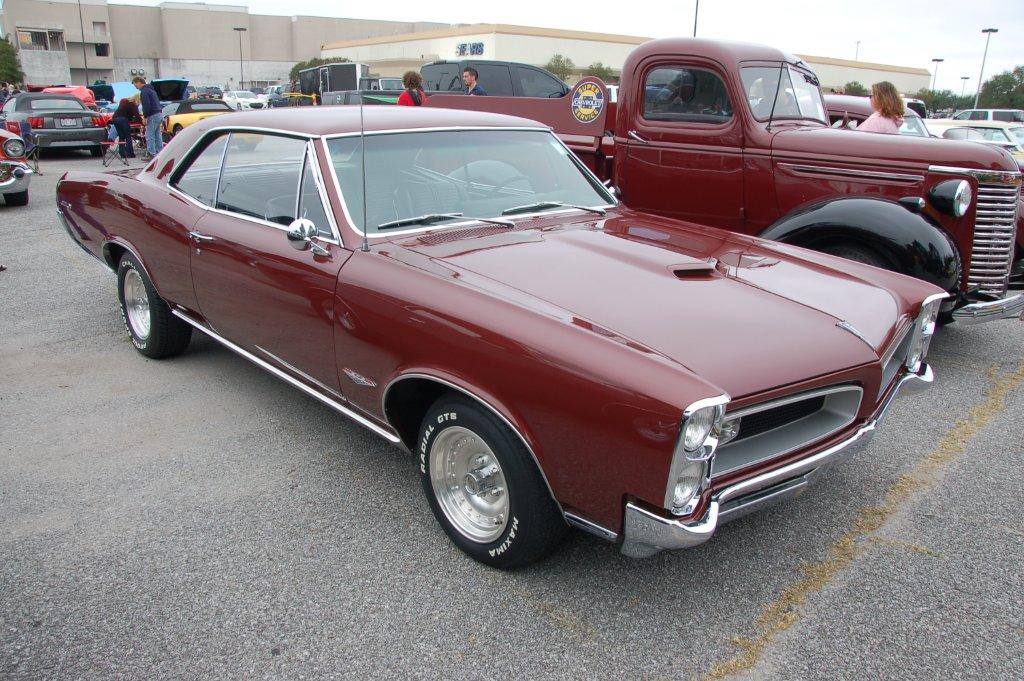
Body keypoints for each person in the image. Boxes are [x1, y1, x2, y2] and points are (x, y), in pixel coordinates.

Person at [134, 76, 163, 156]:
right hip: (159, 113)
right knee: (157, 135)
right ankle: (160, 153)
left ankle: (151, 154)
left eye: (135, 84)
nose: (135, 86)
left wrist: (145, 117)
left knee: (149, 135)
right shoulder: (151, 90)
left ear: (139, 82)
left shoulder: (144, 91)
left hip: (152, 115)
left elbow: (146, 105)